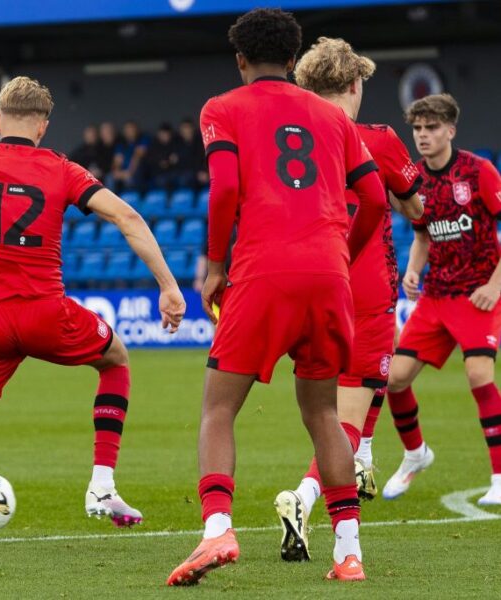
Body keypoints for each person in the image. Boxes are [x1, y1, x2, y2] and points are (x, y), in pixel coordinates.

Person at [0, 77, 186, 558]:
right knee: (115, 359)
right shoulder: (62, 169)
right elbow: (127, 217)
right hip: (47, 313)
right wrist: (169, 287)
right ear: (43, 127)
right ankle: (102, 485)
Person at [165, 9, 387, 586]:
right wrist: (342, 249)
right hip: (329, 277)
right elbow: (377, 199)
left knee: (219, 408)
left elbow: (227, 187)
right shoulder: (333, 117)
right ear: (294, 61)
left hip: (264, 271)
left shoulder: (223, 108)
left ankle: (217, 531)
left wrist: (215, 267)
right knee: (323, 414)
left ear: (240, 60)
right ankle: (348, 555)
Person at [274, 36, 425, 563]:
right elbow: (415, 205)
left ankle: (364, 456)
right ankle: (307, 495)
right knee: (346, 416)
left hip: (298, 284)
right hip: (361, 288)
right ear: (356, 85)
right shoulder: (376, 139)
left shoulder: (288, 139)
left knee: (336, 400)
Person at [376, 94, 501, 505]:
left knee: (480, 375)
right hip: (437, 295)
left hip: (479, 294)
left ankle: (500, 477)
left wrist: (495, 285)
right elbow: (423, 235)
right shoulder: (416, 180)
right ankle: (416, 453)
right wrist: (414, 270)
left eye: (432, 128)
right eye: (418, 129)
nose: (423, 136)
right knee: (393, 378)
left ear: (451, 130)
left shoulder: (478, 171)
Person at [108, 121, 148, 192]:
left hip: (136, 172)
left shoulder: (143, 139)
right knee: (110, 178)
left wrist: (129, 172)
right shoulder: (122, 144)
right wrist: (118, 172)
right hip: (124, 173)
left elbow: (137, 157)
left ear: (136, 130)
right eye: (127, 130)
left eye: (132, 129)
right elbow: (117, 161)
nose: (130, 132)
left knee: (131, 179)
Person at [175, 118, 209, 191]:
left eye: (188, 128)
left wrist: (204, 171)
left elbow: (203, 159)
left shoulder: (200, 142)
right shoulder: (176, 143)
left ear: (193, 129)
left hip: (198, 173)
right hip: (182, 173)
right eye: (184, 128)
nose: (186, 131)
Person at [145, 123, 180, 191]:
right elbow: (150, 161)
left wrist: (171, 161)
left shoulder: (175, 144)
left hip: (173, 173)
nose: (164, 136)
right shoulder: (154, 146)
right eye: (162, 134)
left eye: (166, 134)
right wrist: (160, 162)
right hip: (157, 174)